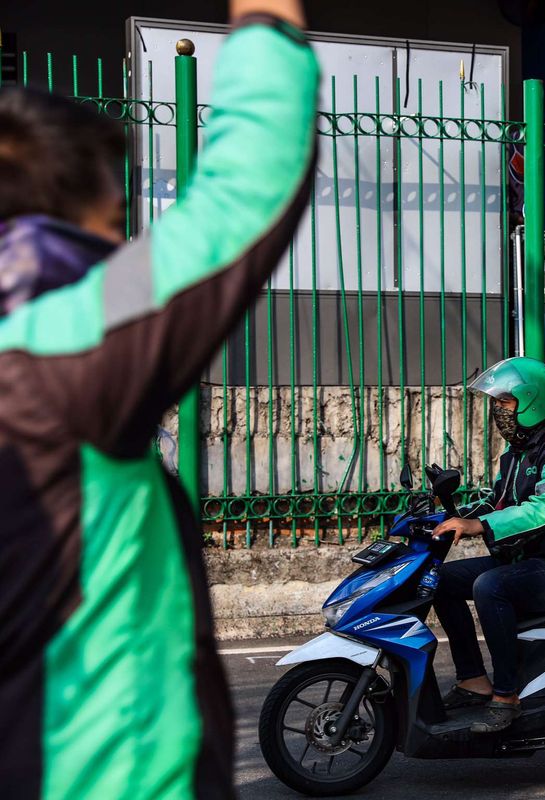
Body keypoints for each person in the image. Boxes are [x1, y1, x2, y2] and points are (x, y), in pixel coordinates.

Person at [0, 2, 314, 797]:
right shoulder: (52, 353)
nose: (121, 246)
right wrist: (268, 21)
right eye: (115, 220)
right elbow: (242, 193)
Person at [431, 356, 545, 733]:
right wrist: (448, 519)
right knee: (439, 579)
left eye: (505, 403)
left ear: (530, 401)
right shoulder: (518, 451)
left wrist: (479, 525)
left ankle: (506, 694)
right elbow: (498, 500)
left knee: (490, 586)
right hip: (524, 556)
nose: (498, 411)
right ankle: (473, 679)